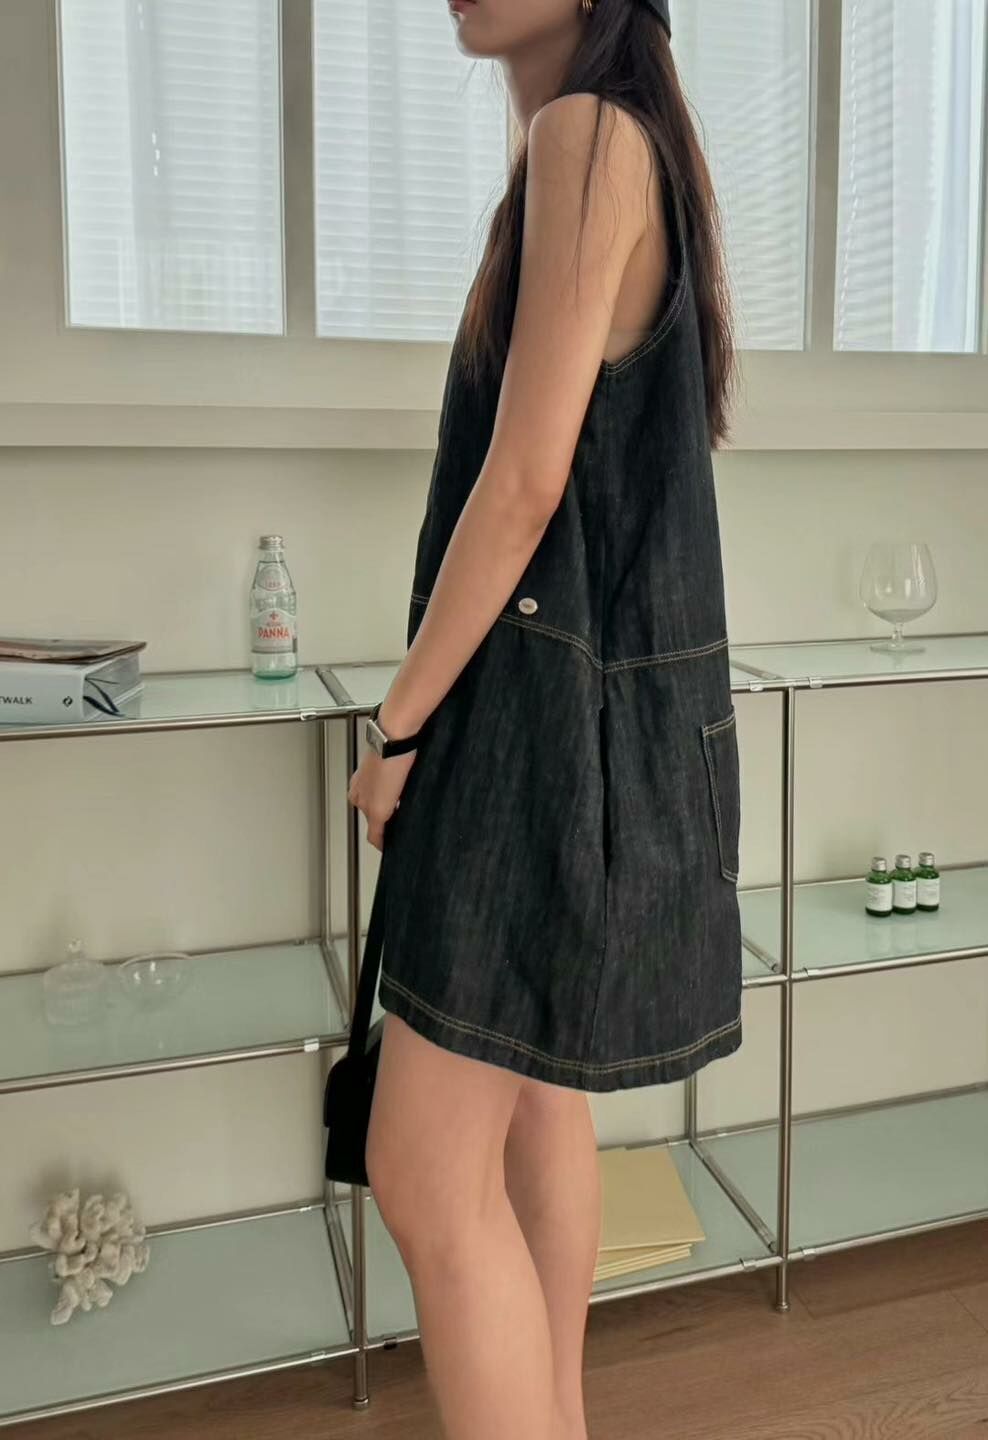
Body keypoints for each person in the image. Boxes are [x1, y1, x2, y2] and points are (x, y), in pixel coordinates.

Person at [347, 1, 742, 1436]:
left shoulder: (586, 136)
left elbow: (522, 486)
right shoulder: (615, 146)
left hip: (534, 741)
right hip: (595, 736)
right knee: (531, 1103)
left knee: (422, 1173)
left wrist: (397, 727)